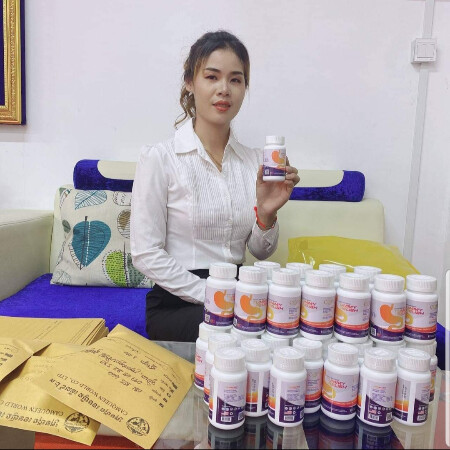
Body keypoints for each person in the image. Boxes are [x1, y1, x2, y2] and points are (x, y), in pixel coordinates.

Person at [131, 30, 300, 342]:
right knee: (246, 333)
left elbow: (260, 251)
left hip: (240, 295)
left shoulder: (255, 162)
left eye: (236, 80)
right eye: (212, 77)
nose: (224, 89)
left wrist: (266, 214)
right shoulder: (160, 158)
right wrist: (214, 295)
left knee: (289, 320)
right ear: (189, 82)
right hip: (179, 302)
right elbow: (145, 253)